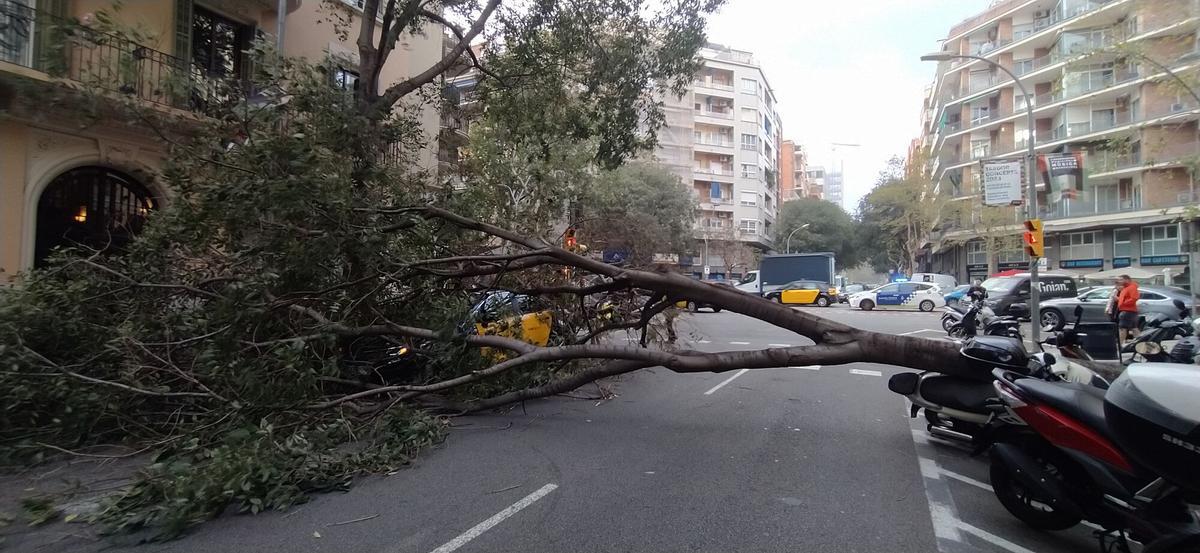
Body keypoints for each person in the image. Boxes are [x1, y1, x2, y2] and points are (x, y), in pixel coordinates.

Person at [1113, 275, 1140, 345]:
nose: (1119, 281)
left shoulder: (1131, 287)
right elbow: (1127, 298)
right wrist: (1119, 300)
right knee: (1134, 328)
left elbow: (1134, 298)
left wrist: (1123, 303)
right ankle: (1141, 343)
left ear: (1127, 280)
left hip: (1127, 310)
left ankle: (1119, 345)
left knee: (1122, 328)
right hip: (1129, 310)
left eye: (1121, 280)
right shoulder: (1126, 288)